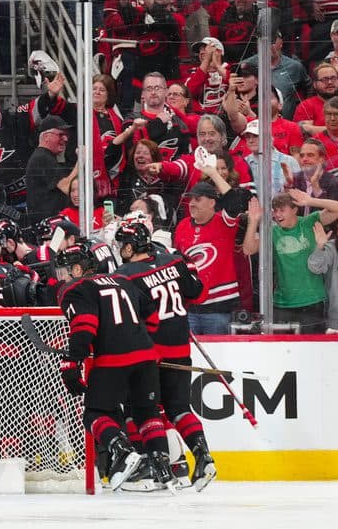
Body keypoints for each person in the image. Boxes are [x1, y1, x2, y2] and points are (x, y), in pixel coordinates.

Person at [55, 241, 174, 490]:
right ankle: (162, 469)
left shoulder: (76, 288)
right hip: (145, 356)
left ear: (78, 269)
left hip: (113, 360)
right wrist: (136, 340)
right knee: (147, 413)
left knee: (95, 413)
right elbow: (152, 316)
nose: (62, 277)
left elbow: (85, 325)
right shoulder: (122, 280)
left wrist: (72, 360)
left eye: (65, 270)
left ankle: (121, 449)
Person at [112, 217, 216, 490]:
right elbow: (199, 293)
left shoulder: (125, 275)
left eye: (123, 244)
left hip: (150, 354)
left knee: (141, 410)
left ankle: (155, 469)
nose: (121, 248)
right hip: (180, 348)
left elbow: (123, 317)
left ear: (132, 246)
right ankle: (204, 458)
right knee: (179, 408)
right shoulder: (173, 261)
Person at [244, 189, 338, 333]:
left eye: (281, 210)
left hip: (311, 301)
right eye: (275, 211)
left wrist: (311, 201)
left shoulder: (309, 222)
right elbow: (248, 250)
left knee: (310, 351)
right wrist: (253, 222)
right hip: (281, 303)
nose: (277, 215)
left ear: (294, 209)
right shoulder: (272, 231)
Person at [173, 180, 245, 334]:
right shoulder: (182, 225)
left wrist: (213, 173)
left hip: (218, 309)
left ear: (212, 202)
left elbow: (235, 201)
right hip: (190, 308)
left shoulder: (225, 223)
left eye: (197, 199)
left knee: (217, 357)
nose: (191, 203)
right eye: (190, 199)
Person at [24, 116, 77, 223]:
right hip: (48, 226)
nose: (65, 139)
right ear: (46, 137)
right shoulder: (42, 157)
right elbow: (67, 187)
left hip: (49, 223)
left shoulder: (45, 156)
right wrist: (81, 161)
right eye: (60, 135)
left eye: (66, 135)